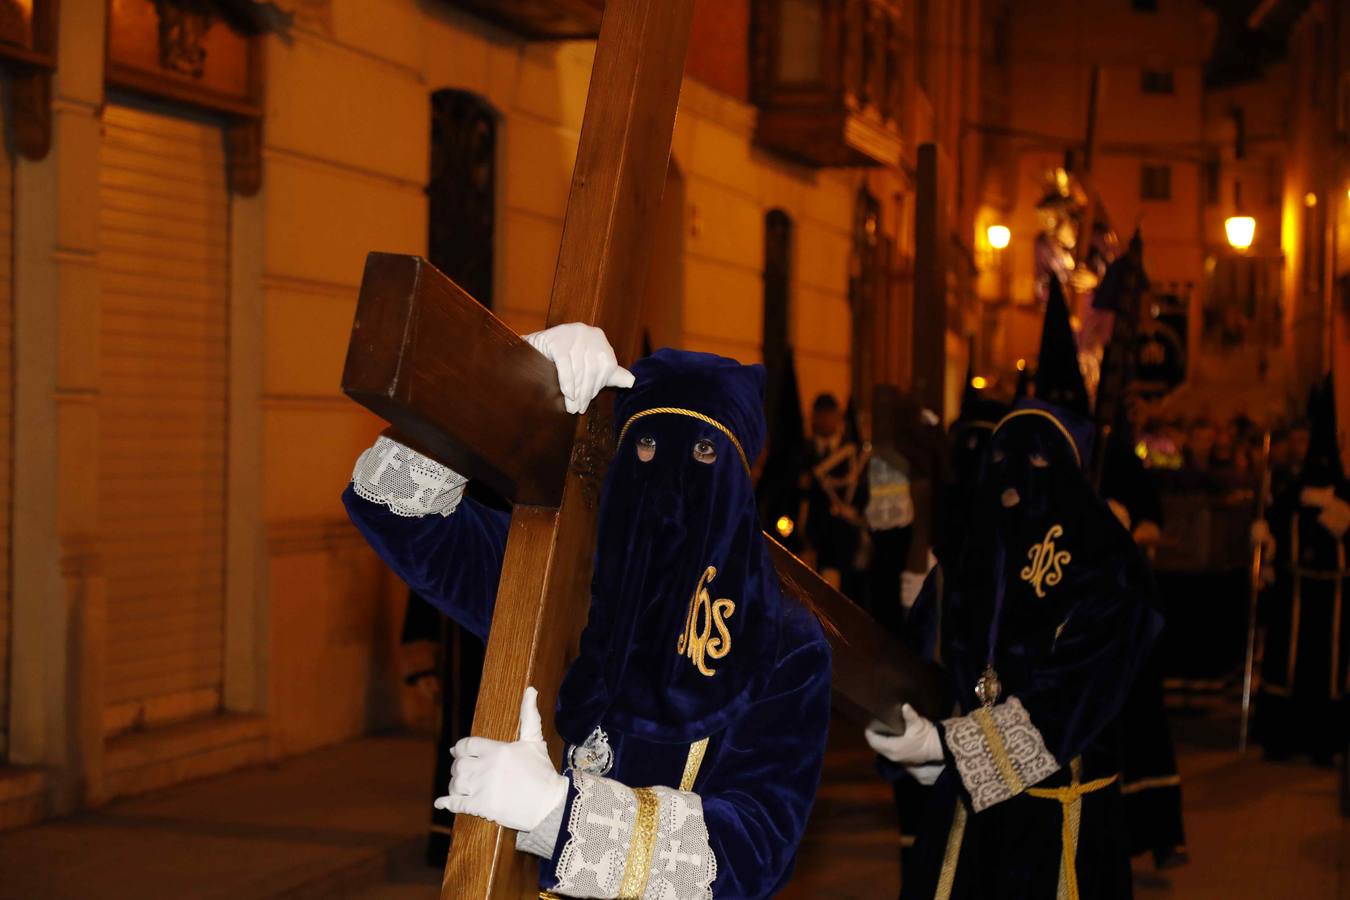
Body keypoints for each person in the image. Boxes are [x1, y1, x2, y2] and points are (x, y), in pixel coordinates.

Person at [343, 325, 832, 899]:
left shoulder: (783, 637)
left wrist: (559, 811)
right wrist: (511, 383)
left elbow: (757, 848)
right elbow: (395, 507)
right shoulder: (562, 573)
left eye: (703, 452)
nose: (669, 480)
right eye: (646, 447)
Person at [869, 284, 1161, 899]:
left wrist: (949, 747)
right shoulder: (965, 560)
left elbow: (1071, 703)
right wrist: (916, 740)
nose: (1015, 482)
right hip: (965, 825)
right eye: (1002, 461)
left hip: (1060, 828)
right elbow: (921, 668)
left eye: (1038, 463)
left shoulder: (1108, 568)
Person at [1256, 375, 1350, 765]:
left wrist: (1338, 516)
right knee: (1288, 660)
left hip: (1333, 592)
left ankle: (1325, 741)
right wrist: (1266, 542)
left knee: (1326, 664)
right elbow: (1275, 524)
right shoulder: (1289, 490)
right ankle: (1283, 738)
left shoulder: (1343, 494)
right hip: (1293, 587)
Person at [803, 392, 867, 594]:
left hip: (845, 538)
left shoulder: (853, 454)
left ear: (838, 417)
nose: (824, 420)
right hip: (815, 537)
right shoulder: (803, 452)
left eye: (828, 414)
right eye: (820, 414)